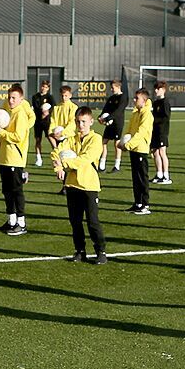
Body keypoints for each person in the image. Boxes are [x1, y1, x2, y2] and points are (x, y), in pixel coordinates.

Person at [55, 107, 107, 264]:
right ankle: (80, 251)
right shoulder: (72, 139)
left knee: (92, 221)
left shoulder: (96, 139)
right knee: (75, 221)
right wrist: (58, 167)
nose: (81, 125)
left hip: (89, 186)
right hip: (72, 185)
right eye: (78, 122)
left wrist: (64, 163)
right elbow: (56, 152)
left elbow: (85, 159)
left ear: (91, 122)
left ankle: (101, 251)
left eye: (84, 121)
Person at [0, 84, 34, 235]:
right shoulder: (9, 113)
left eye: (14, 98)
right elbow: (8, 134)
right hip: (4, 158)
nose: (11, 101)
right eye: (9, 97)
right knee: (7, 191)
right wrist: (0, 140)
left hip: (15, 159)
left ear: (21, 99)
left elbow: (18, 137)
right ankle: (11, 221)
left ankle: (21, 223)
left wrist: (2, 133)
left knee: (16, 191)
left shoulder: (20, 114)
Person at [123, 88, 154, 214]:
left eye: (137, 98)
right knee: (135, 178)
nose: (134, 100)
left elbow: (141, 132)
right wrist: (124, 142)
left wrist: (129, 145)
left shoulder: (147, 114)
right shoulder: (135, 113)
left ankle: (145, 205)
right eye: (135, 98)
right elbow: (129, 130)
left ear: (144, 100)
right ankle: (137, 203)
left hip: (141, 149)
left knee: (142, 178)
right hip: (133, 148)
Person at [98, 80, 127, 172]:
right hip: (109, 123)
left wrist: (108, 118)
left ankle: (117, 165)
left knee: (116, 143)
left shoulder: (123, 97)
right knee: (104, 142)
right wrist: (100, 117)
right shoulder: (111, 98)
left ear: (118, 87)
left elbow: (119, 110)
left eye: (113, 88)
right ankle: (102, 165)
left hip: (117, 122)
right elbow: (105, 109)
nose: (111, 89)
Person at [151, 80, 173, 184]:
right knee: (155, 152)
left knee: (162, 152)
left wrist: (154, 120)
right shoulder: (155, 103)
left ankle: (166, 176)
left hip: (162, 131)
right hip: (154, 130)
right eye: (155, 88)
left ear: (163, 90)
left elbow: (166, 117)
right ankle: (159, 174)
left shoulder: (165, 102)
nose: (156, 90)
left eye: (158, 89)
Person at [31, 80, 55, 167]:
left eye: (45, 87)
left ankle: (56, 157)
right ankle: (39, 159)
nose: (43, 88)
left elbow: (53, 107)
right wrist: (41, 112)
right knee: (38, 140)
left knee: (50, 138)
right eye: (42, 86)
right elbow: (35, 107)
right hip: (37, 121)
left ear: (48, 88)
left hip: (47, 122)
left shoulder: (50, 97)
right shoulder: (35, 97)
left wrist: (48, 112)